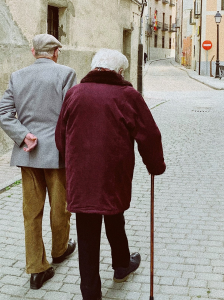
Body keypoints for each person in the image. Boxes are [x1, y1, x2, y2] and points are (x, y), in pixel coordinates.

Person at [55, 49, 166, 300]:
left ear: (94, 68)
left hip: (81, 176)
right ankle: (121, 265)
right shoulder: (127, 95)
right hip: (113, 173)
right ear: (120, 71)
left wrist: (70, 160)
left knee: (86, 232)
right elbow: (149, 134)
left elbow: (60, 135)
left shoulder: (74, 94)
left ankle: (91, 292)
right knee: (115, 216)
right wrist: (155, 165)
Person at [0, 34, 77, 290]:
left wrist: (23, 135)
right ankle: (60, 250)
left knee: (31, 212)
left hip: (28, 154)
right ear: (55, 53)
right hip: (57, 154)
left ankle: (36, 269)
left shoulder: (17, 76)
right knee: (60, 206)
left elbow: (1, 113)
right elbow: (71, 114)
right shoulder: (66, 73)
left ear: (33, 52)